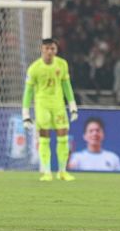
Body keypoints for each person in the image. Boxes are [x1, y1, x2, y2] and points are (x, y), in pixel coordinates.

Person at [22, 38, 78, 182]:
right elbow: (28, 92)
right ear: (42, 49)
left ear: (56, 50)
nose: (49, 51)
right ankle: (47, 172)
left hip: (58, 105)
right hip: (42, 105)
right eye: (47, 48)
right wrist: (26, 114)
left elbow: (67, 85)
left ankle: (62, 171)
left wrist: (72, 106)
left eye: (52, 48)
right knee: (44, 138)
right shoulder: (34, 68)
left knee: (63, 137)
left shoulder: (62, 64)